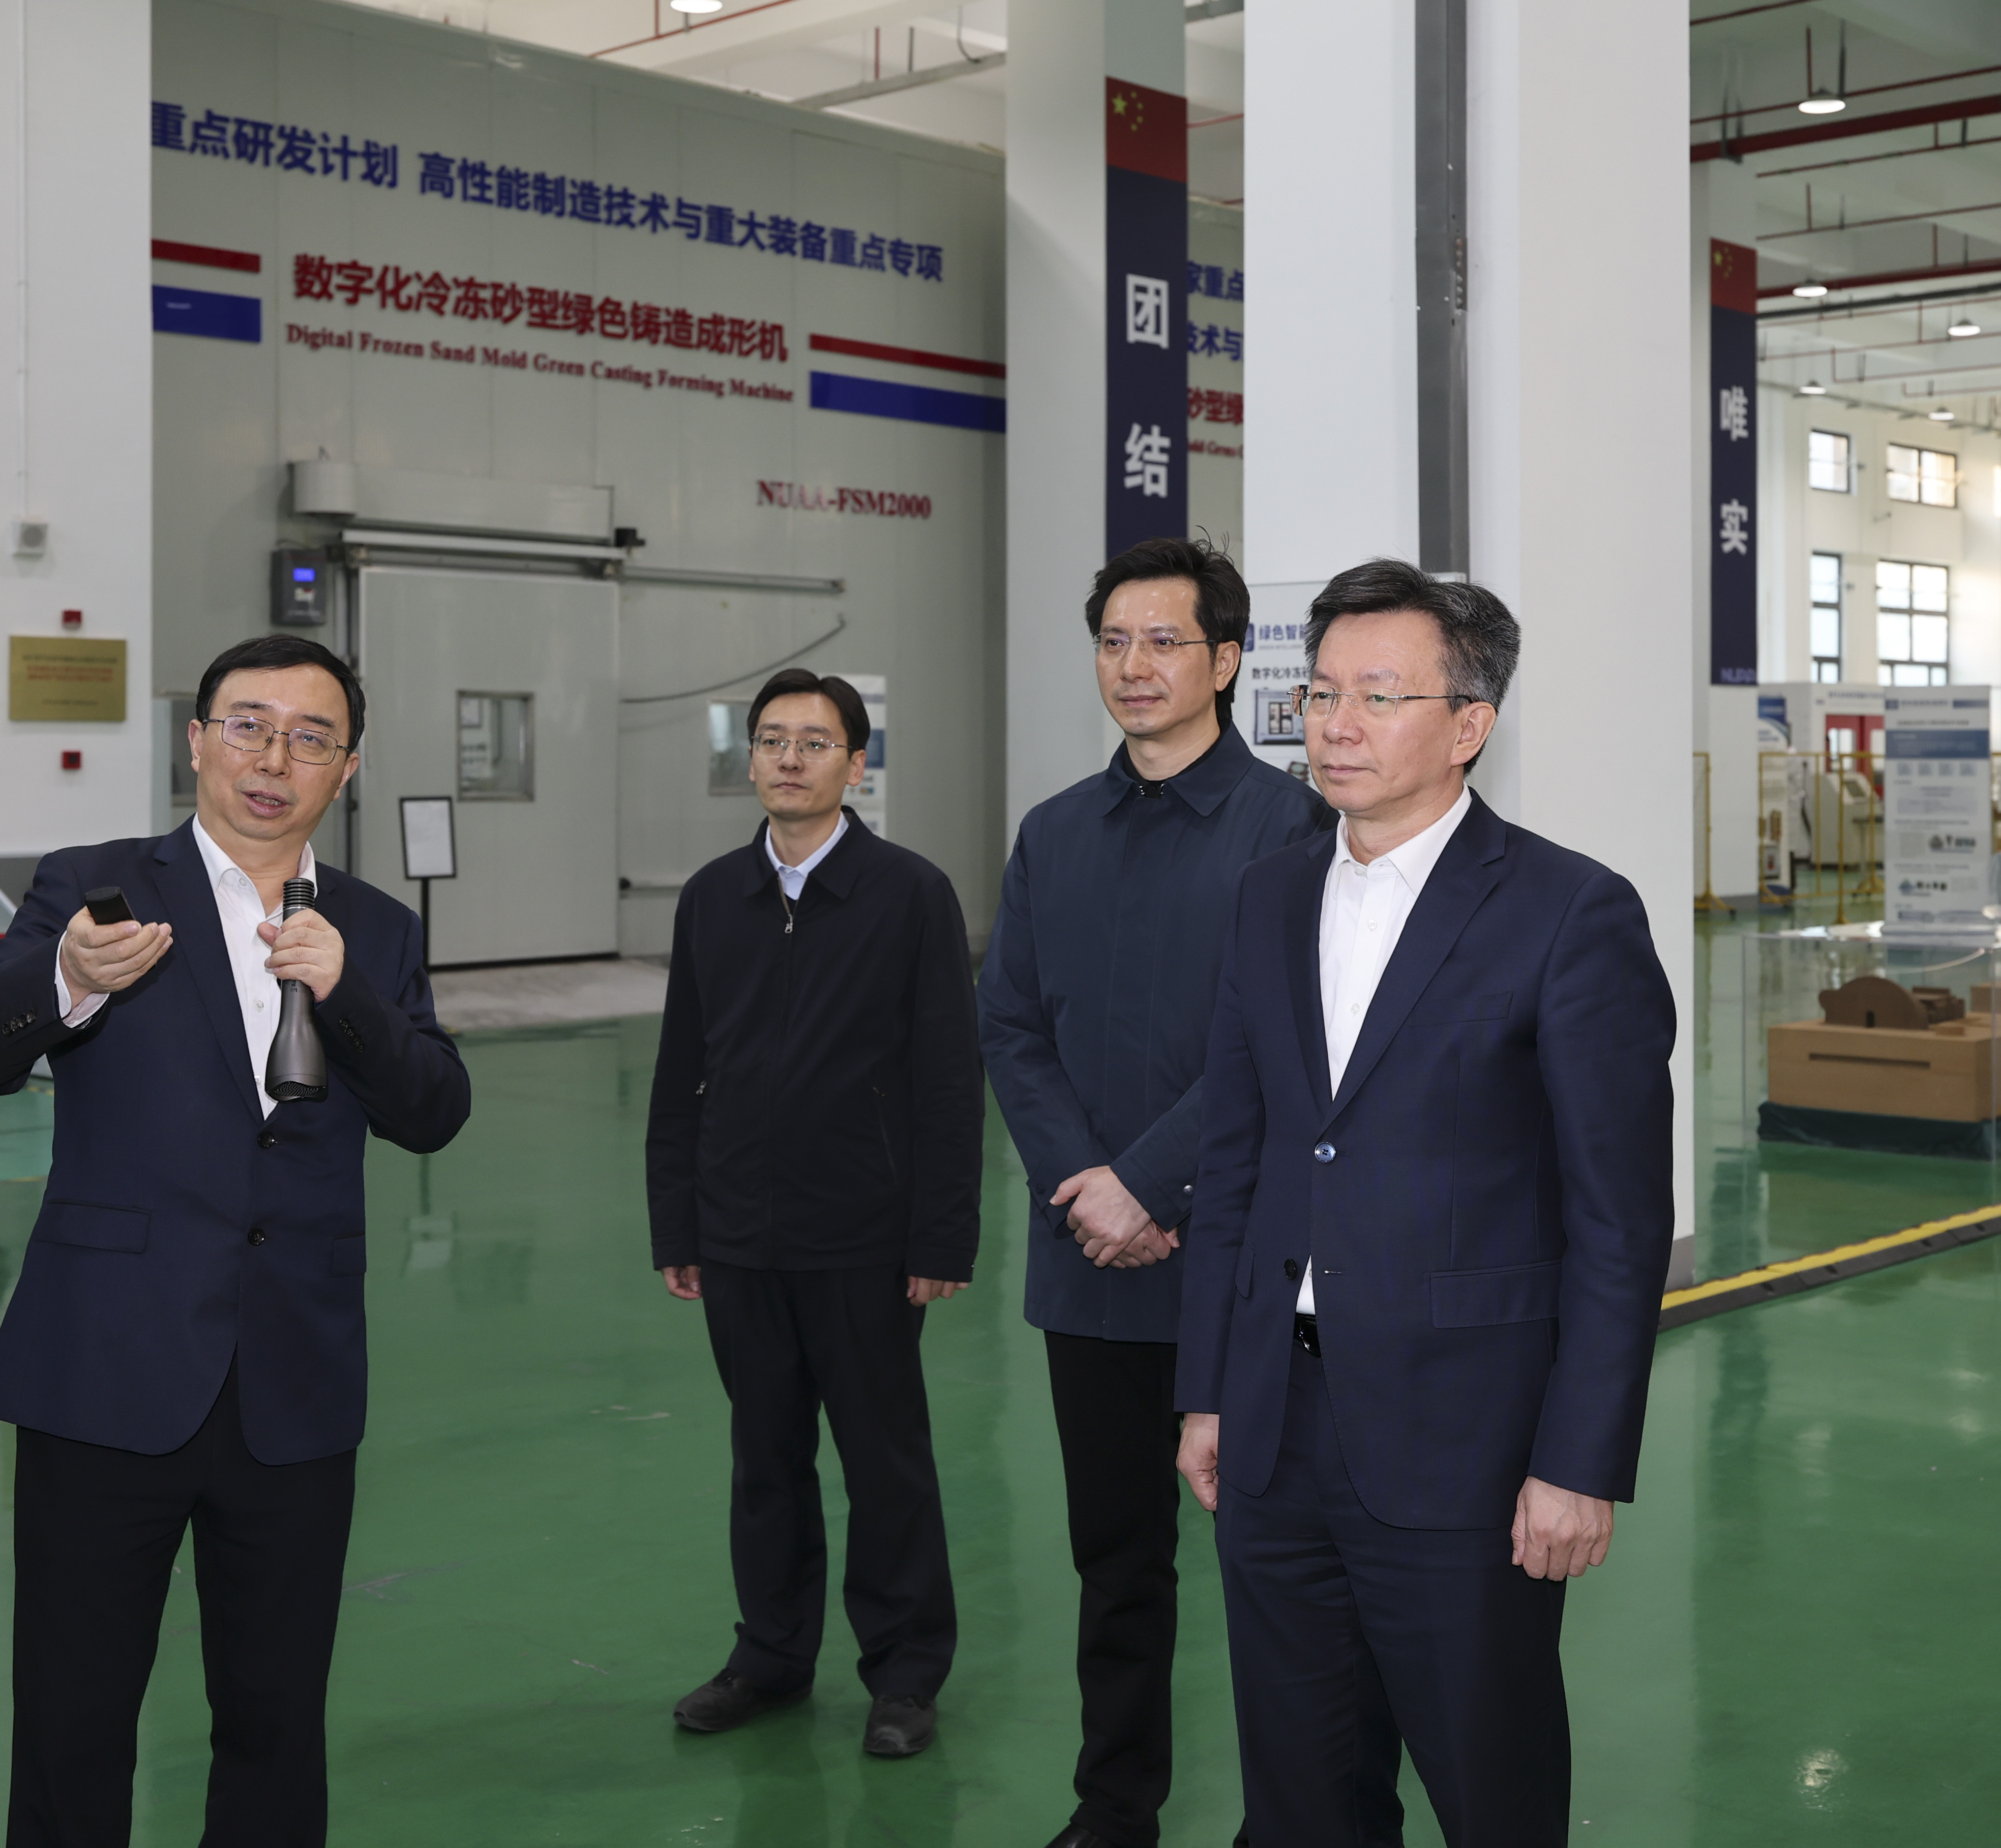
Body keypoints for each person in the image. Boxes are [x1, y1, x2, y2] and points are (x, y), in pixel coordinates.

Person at [0, 634, 471, 1848]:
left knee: (276, 1713)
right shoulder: (96, 887)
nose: (273, 758)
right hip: (107, 1364)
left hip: (294, 1376)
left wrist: (351, 998)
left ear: (347, 768)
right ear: (198, 739)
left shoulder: (375, 928)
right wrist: (64, 978)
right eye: (248, 725)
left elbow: (433, 1111)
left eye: (310, 737)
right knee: (71, 1709)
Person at [1175, 559, 1675, 1847]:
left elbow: (1616, 1220)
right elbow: (1237, 1158)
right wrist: (1210, 1387)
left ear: (1467, 725)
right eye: (1320, 692)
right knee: (1299, 1795)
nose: (1335, 724)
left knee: (1489, 1787)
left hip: (1467, 1442)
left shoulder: (1570, 912)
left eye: (1378, 696)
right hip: (1276, 1426)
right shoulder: (1269, 894)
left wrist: (1576, 1461)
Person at [977, 536, 1332, 1848]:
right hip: (1090, 1259)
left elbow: (1283, 1044)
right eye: (1114, 641)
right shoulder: (1053, 832)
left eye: (1165, 641)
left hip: (1241, 1262)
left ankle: (1289, 1815)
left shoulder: (1290, 830)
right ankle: (1114, 1805)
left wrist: (1145, 1180)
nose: (1134, 665)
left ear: (1227, 661)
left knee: (1272, 1560)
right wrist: (1084, 1185)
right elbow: (1010, 1022)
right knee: (1115, 1559)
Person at [646, 667, 982, 1760]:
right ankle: (771, 1656)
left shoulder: (909, 894)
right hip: (739, 1234)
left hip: (866, 1238)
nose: (790, 758)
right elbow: (680, 1072)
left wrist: (941, 1234)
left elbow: (948, 1077)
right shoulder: (713, 897)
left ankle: (906, 1671)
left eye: (816, 741)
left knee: (887, 1463)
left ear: (856, 763)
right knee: (764, 1458)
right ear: (749, 758)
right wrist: (678, 1223)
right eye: (772, 740)